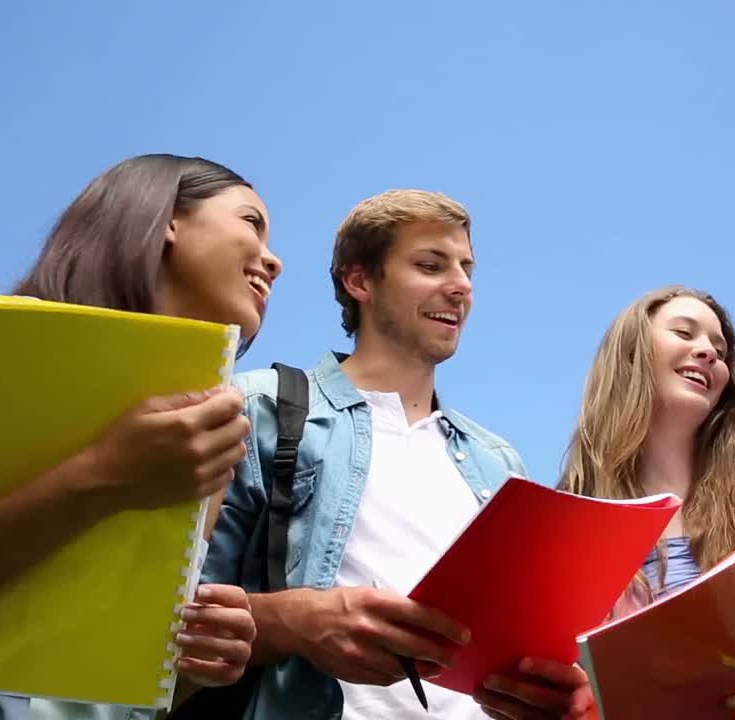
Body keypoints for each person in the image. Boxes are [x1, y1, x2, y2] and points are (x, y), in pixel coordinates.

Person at [0, 154, 276, 719]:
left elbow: (99, 691)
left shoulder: (211, 438)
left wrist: (194, 663)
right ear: (168, 220)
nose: (273, 260)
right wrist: (103, 479)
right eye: (251, 222)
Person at [473, 285, 735, 720]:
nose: (709, 352)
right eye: (684, 332)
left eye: (720, 349)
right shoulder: (564, 532)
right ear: (631, 355)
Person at [200, 189, 529, 719]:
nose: (460, 286)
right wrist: (295, 621)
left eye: (466, 268)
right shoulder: (259, 408)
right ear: (360, 282)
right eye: (430, 265)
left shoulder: (499, 462)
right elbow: (179, 619)